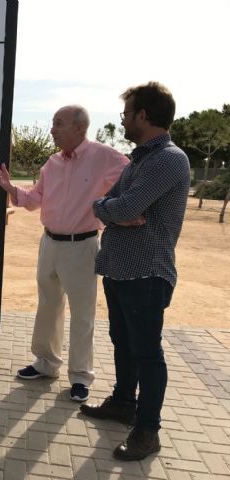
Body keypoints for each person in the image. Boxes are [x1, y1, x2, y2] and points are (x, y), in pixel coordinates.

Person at [81, 82, 190, 461]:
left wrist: (114, 209)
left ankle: (147, 431)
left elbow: (124, 207)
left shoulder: (168, 159)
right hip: (119, 268)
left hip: (146, 273)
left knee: (147, 353)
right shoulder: (141, 160)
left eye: (127, 113)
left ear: (144, 115)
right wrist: (112, 207)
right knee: (123, 342)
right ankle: (123, 402)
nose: (123, 119)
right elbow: (113, 204)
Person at [0, 105, 128, 402]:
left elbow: (131, 179)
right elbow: (34, 199)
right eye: (53, 123)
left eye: (58, 123)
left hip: (82, 245)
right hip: (49, 243)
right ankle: (46, 363)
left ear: (79, 128)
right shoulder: (52, 163)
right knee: (48, 304)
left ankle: (80, 376)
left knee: (82, 313)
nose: (52, 129)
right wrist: (9, 188)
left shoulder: (104, 156)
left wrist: (119, 209)